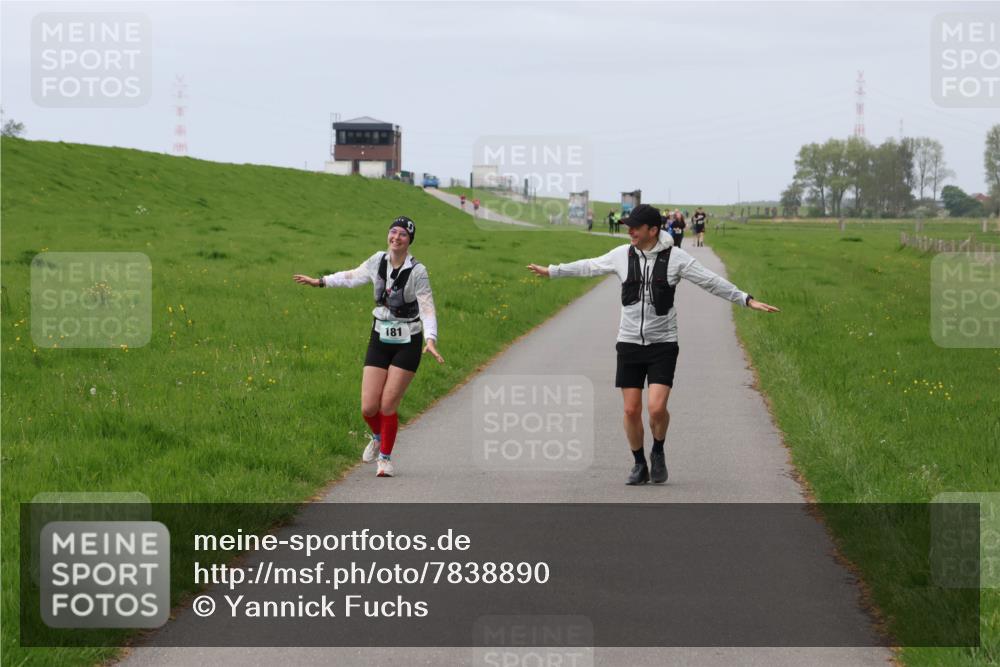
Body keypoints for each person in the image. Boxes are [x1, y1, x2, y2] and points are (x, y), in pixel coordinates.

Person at [526, 204, 778, 486]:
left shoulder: (676, 258)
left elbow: (710, 281)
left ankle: (657, 450)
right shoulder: (622, 255)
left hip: (663, 344)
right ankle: (639, 463)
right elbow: (589, 265)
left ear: (653, 230)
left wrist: (745, 299)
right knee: (631, 410)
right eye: (628, 227)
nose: (629, 231)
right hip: (629, 343)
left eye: (635, 227)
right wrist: (553, 271)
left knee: (656, 409)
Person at [293, 216, 444, 478]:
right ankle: (377, 436)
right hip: (380, 336)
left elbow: (427, 306)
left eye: (403, 235)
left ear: (409, 241)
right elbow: (352, 276)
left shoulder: (418, 271)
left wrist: (430, 339)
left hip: (409, 340)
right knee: (368, 407)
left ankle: (384, 459)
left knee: (387, 405)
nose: (396, 237)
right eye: (393, 232)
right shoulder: (378, 261)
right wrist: (320, 281)